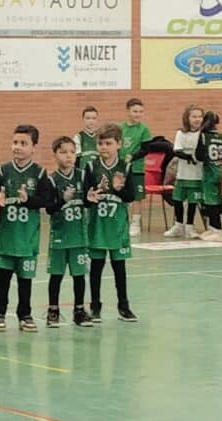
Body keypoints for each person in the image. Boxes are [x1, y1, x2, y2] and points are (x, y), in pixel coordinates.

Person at [0, 125, 47, 332]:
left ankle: (25, 314)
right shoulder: (3, 170)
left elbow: (46, 200)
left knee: (25, 281)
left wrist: (29, 200)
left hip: (27, 237)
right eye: (15, 142)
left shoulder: (39, 173)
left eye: (23, 143)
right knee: (2, 278)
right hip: (6, 235)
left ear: (34, 147)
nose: (18, 147)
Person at [86, 123, 137, 323]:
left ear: (119, 144)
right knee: (96, 268)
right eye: (100, 143)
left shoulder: (126, 167)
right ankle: (95, 306)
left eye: (108, 143)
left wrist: (117, 189)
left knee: (119, 268)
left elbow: (130, 196)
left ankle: (123, 306)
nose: (103, 147)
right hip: (97, 225)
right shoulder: (91, 167)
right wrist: (89, 195)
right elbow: (86, 195)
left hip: (117, 227)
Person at [44, 136, 92, 328]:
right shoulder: (51, 180)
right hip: (60, 236)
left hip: (79, 236)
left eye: (72, 152)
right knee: (56, 275)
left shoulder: (82, 175)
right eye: (63, 152)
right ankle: (53, 311)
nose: (69, 156)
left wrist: (92, 197)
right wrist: (63, 199)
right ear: (55, 155)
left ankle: (79, 310)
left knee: (79, 276)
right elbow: (49, 208)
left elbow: (89, 200)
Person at [166, 104, 204, 239]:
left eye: (200, 116)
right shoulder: (181, 133)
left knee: (193, 202)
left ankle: (190, 227)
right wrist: (189, 156)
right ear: (187, 118)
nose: (197, 119)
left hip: (197, 175)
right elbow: (177, 150)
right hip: (182, 174)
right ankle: (178, 225)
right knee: (178, 199)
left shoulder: (203, 135)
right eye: (194, 116)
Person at [119, 98, 152, 237]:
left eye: (140, 112)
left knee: (137, 197)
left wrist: (132, 157)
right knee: (121, 194)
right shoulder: (121, 128)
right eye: (135, 111)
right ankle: (122, 221)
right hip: (121, 167)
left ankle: (135, 223)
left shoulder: (144, 129)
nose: (138, 114)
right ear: (128, 111)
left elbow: (146, 149)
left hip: (136, 168)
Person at [196, 111, 222, 242]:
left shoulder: (203, 136)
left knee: (211, 202)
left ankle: (218, 230)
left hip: (210, 171)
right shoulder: (221, 137)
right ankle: (212, 228)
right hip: (218, 170)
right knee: (211, 201)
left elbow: (199, 155)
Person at [74, 106, 100, 171]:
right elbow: (76, 159)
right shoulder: (78, 137)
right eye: (88, 118)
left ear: (97, 119)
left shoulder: (101, 136)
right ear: (83, 119)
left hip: (99, 172)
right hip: (84, 173)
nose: (91, 121)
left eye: (94, 118)